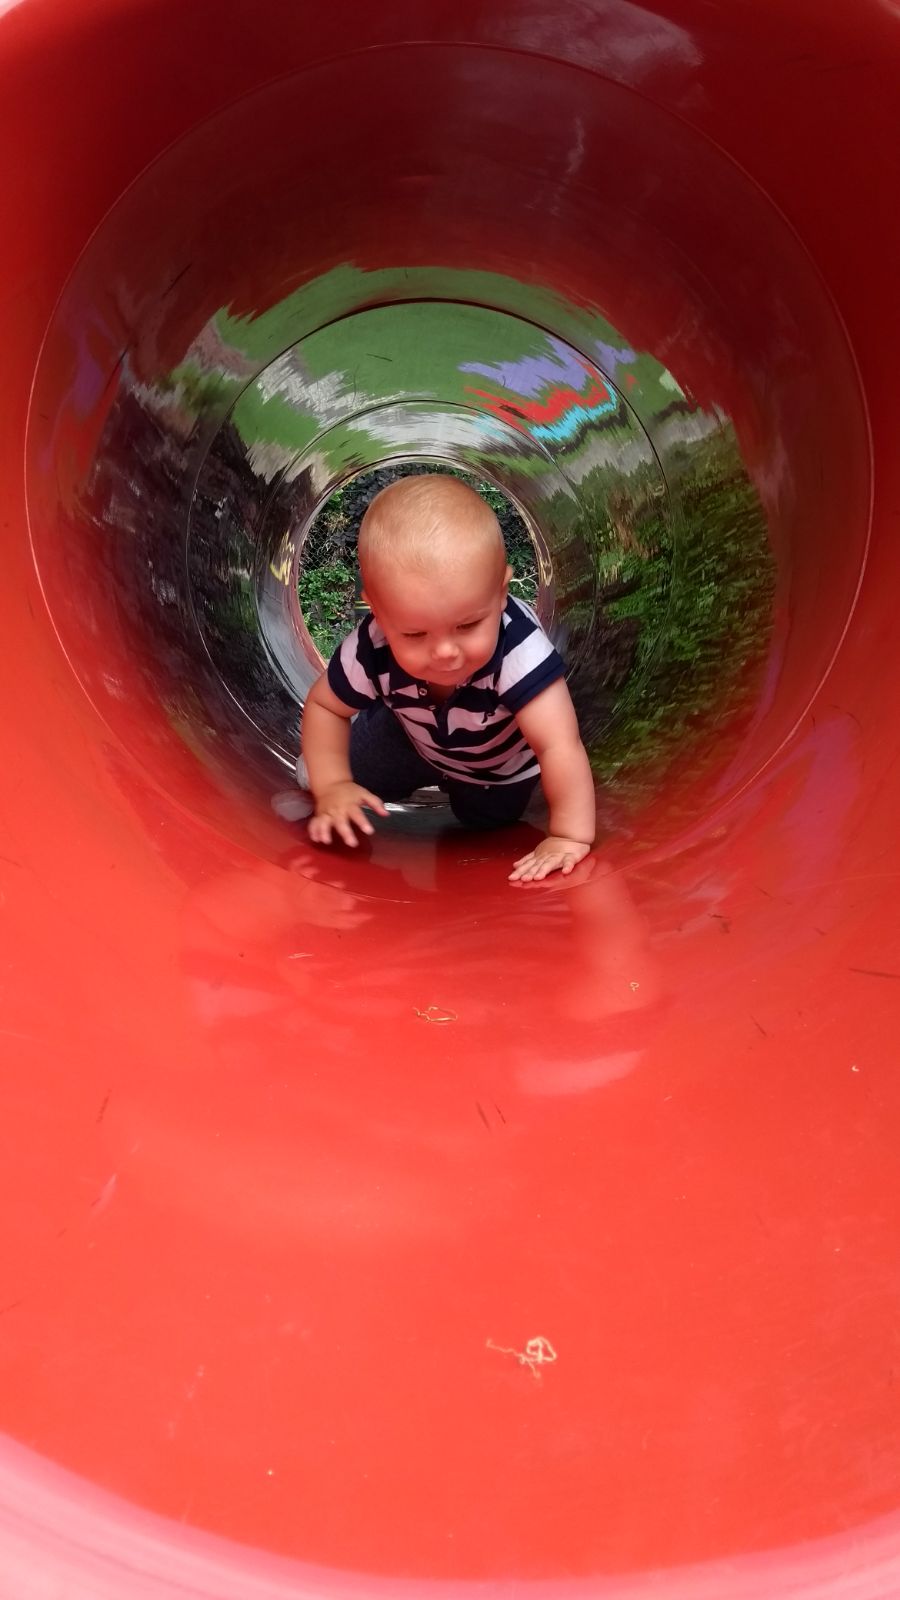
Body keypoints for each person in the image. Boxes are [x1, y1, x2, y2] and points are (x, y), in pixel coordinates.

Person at [301, 474, 596, 882]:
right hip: (406, 736)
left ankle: (465, 803)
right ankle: (334, 776)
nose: (444, 651)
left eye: (468, 624)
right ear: (376, 610)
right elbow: (324, 706)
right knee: (325, 779)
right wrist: (331, 784)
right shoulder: (372, 643)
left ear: (501, 591)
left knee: (486, 829)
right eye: (415, 633)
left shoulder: (519, 651)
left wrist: (568, 835)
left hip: (494, 769)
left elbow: (559, 745)